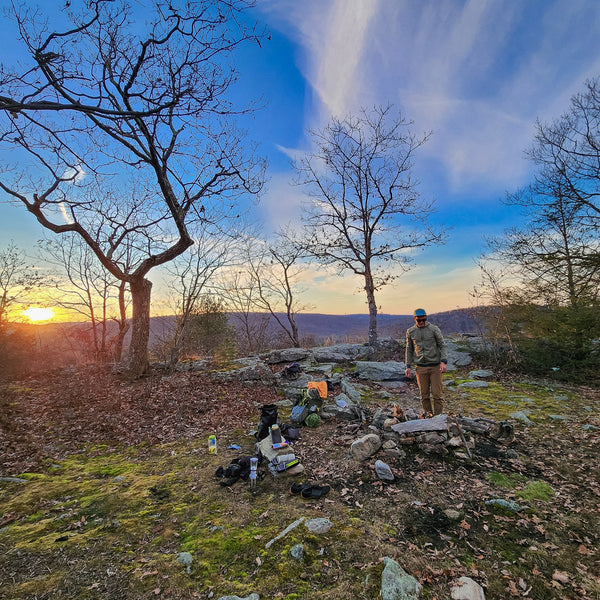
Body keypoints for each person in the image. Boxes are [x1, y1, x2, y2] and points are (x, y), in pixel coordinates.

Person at [404, 308, 448, 416]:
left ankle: (438, 418)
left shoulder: (434, 329)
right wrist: (408, 366)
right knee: (424, 395)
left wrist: (443, 361)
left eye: (424, 319)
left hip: (435, 367)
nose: (422, 322)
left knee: (437, 394)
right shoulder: (411, 331)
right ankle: (429, 416)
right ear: (415, 319)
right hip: (420, 367)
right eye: (419, 320)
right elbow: (409, 349)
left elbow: (442, 345)